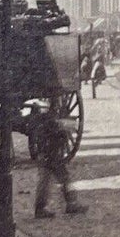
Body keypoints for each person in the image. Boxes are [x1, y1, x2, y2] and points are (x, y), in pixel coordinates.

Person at [34, 90, 86, 219]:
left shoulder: (43, 113)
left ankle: (43, 207)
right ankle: (71, 203)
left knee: (47, 178)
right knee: (62, 177)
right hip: (51, 150)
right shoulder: (47, 115)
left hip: (48, 149)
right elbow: (51, 126)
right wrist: (63, 125)